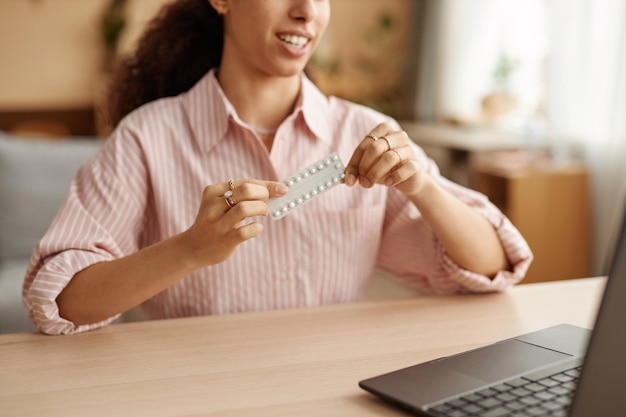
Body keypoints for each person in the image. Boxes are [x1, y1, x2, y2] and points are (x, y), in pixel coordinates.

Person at [23, 0, 532, 335]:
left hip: (334, 390)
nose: (306, 11)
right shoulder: (146, 138)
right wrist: (189, 249)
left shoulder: (364, 133)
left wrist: (423, 186)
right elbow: (58, 302)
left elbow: (492, 267)